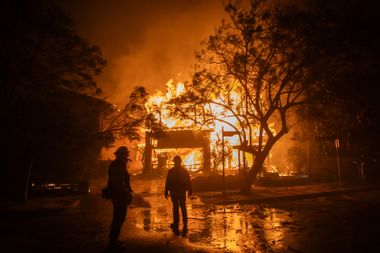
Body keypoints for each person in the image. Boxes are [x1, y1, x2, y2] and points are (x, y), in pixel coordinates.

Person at [107, 146, 133, 248]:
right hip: (119, 196)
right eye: (125, 154)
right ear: (119, 155)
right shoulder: (116, 165)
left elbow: (123, 181)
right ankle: (113, 242)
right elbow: (118, 182)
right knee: (118, 218)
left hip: (120, 195)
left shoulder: (120, 165)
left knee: (120, 218)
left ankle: (114, 240)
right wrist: (125, 194)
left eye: (126, 154)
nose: (126, 156)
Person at [165, 155, 192, 237]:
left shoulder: (171, 171)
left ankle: (176, 223)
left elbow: (168, 181)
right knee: (183, 206)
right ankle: (185, 222)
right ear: (180, 162)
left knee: (176, 207)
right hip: (181, 192)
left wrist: (166, 191)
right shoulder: (184, 171)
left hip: (174, 192)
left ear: (174, 162)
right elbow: (188, 181)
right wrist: (190, 190)